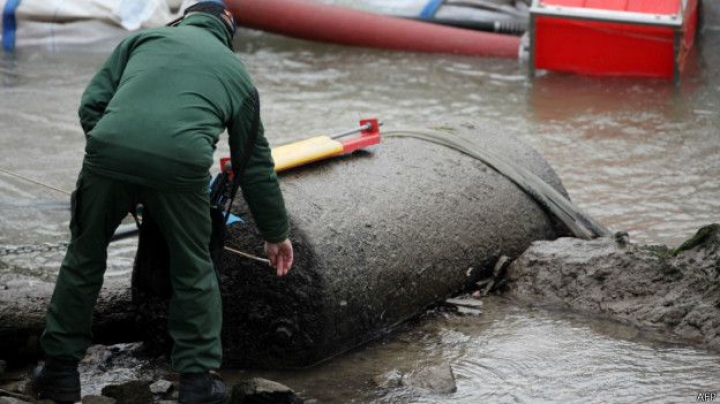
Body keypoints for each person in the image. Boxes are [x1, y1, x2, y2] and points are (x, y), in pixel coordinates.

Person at [30, 2, 293, 403]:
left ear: (184, 18)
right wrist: (276, 234)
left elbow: (91, 105)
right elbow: (252, 162)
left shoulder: (142, 38)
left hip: (108, 151)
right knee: (193, 265)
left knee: (83, 257)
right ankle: (197, 383)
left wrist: (117, 157)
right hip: (182, 165)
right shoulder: (238, 74)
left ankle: (60, 372)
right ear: (227, 29)